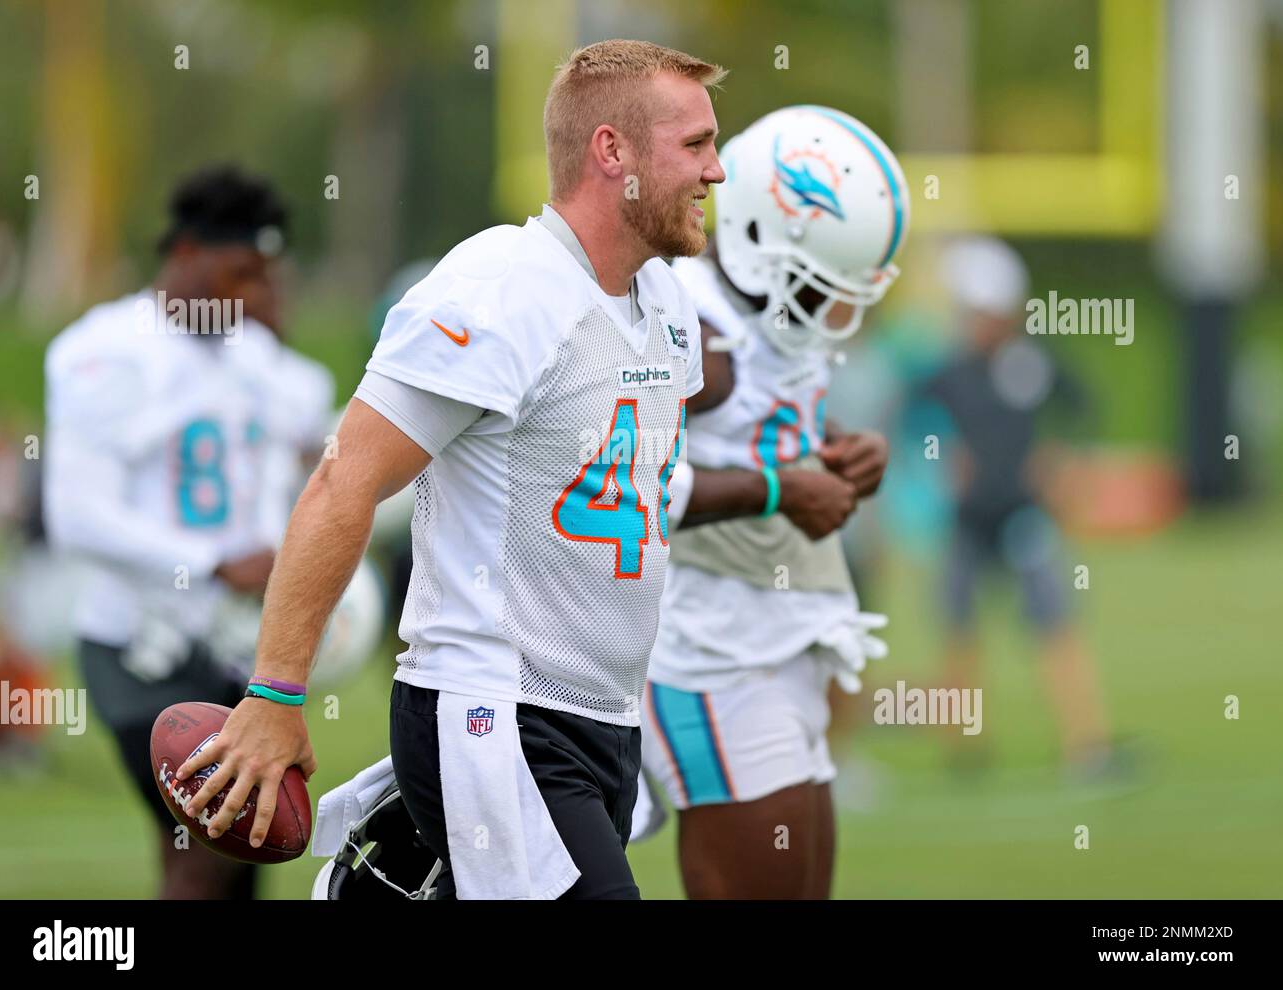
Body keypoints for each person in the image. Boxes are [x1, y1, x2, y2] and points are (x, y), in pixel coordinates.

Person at [178, 39, 727, 900]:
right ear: (611, 151)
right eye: (694, 145)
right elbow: (343, 481)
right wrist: (276, 694)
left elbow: (632, 503)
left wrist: (772, 490)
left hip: (604, 719)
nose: (716, 171)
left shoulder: (663, 301)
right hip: (496, 712)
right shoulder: (498, 290)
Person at [640, 105, 910, 898]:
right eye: (821, 282)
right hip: (707, 650)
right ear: (765, 242)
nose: (833, 307)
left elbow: (768, 432)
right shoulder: (687, 333)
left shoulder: (763, 320)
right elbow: (609, 481)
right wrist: (779, 490)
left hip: (775, 636)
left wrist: (845, 455)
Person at [43, 165, 307, 898]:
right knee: (209, 845)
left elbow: (297, 453)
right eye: (237, 273)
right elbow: (77, 514)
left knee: (244, 851)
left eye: (263, 277)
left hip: (229, 646)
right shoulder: (106, 350)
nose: (251, 296)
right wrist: (215, 562)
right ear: (187, 252)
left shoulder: (252, 353)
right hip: (140, 649)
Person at [922, 236, 1115, 778]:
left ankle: (1087, 744)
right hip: (968, 520)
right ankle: (964, 748)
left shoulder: (1033, 364)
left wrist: (1066, 465)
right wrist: (937, 457)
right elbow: (915, 422)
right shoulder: (951, 371)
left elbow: (1084, 408)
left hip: (1024, 517)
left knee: (1055, 624)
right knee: (958, 627)